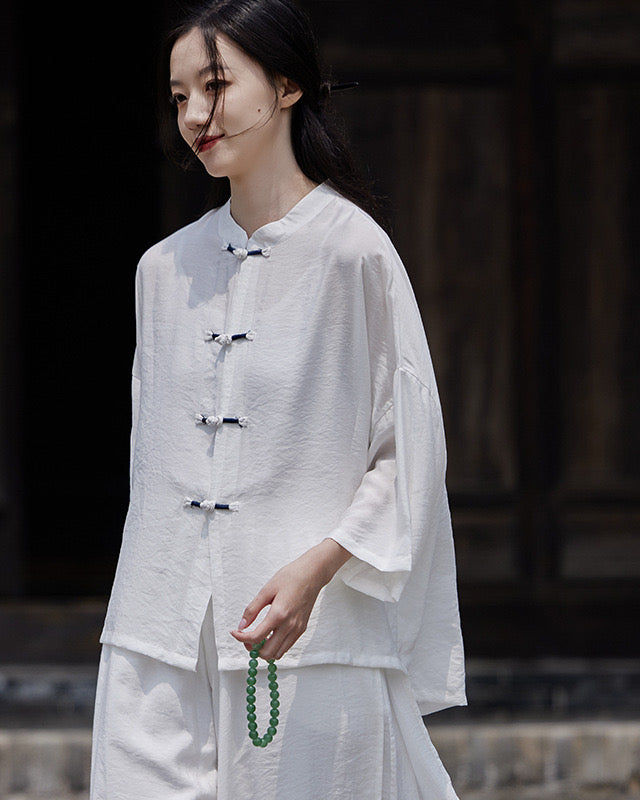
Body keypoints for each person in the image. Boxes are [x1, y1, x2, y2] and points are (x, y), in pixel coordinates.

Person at [90, 0, 466, 797]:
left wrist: (316, 569)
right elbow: (149, 463)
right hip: (156, 643)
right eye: (179, 96)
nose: (195, 115)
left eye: (216, 85)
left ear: (288, 86)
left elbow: (406, 450)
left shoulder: (354, 252)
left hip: (309, 640)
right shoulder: (162, 271)